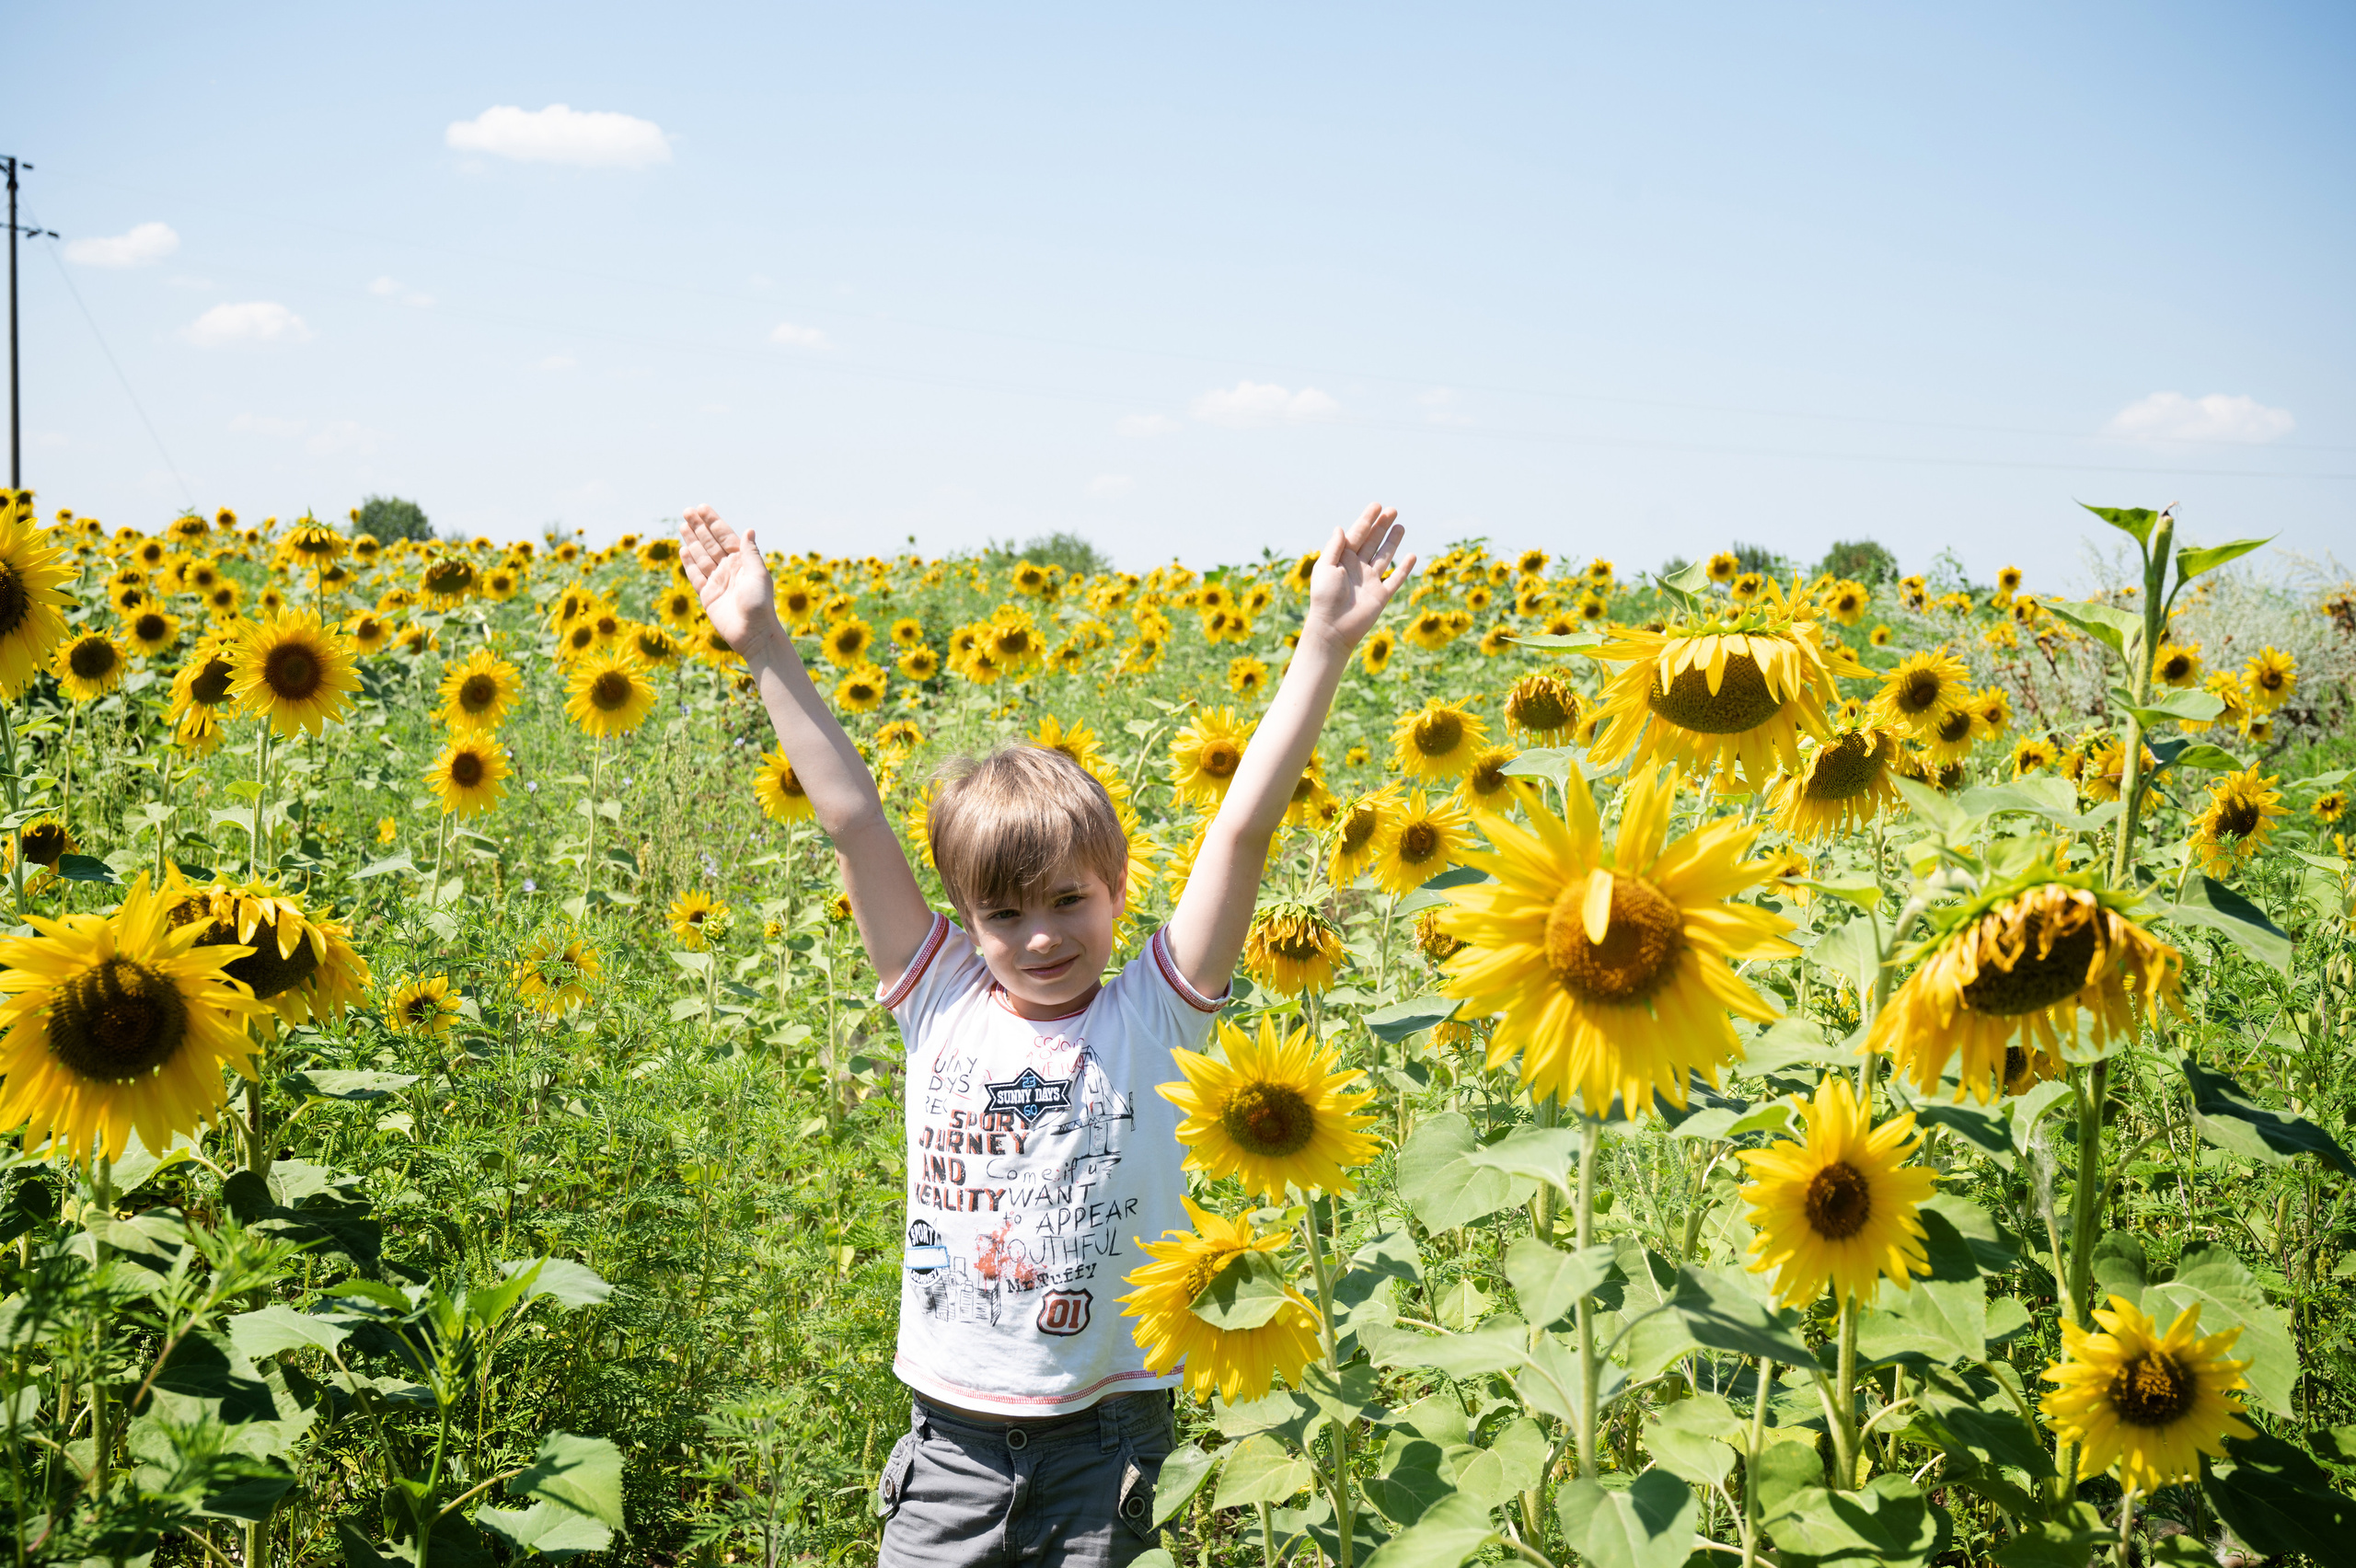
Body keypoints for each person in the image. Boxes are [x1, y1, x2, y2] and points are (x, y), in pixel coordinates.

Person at [678, 503, 1415, 1567]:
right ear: (964, 920)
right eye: (1004, 915)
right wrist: (764, 644)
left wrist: (1322, 644)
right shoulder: (936, 996)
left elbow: (1244, 826)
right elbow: (850, 818)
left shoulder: (1154, 1014)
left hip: (1106, 1443)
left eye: (1068, 901)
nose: (1038, 938)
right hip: (951, 1447)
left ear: (1118, 891)